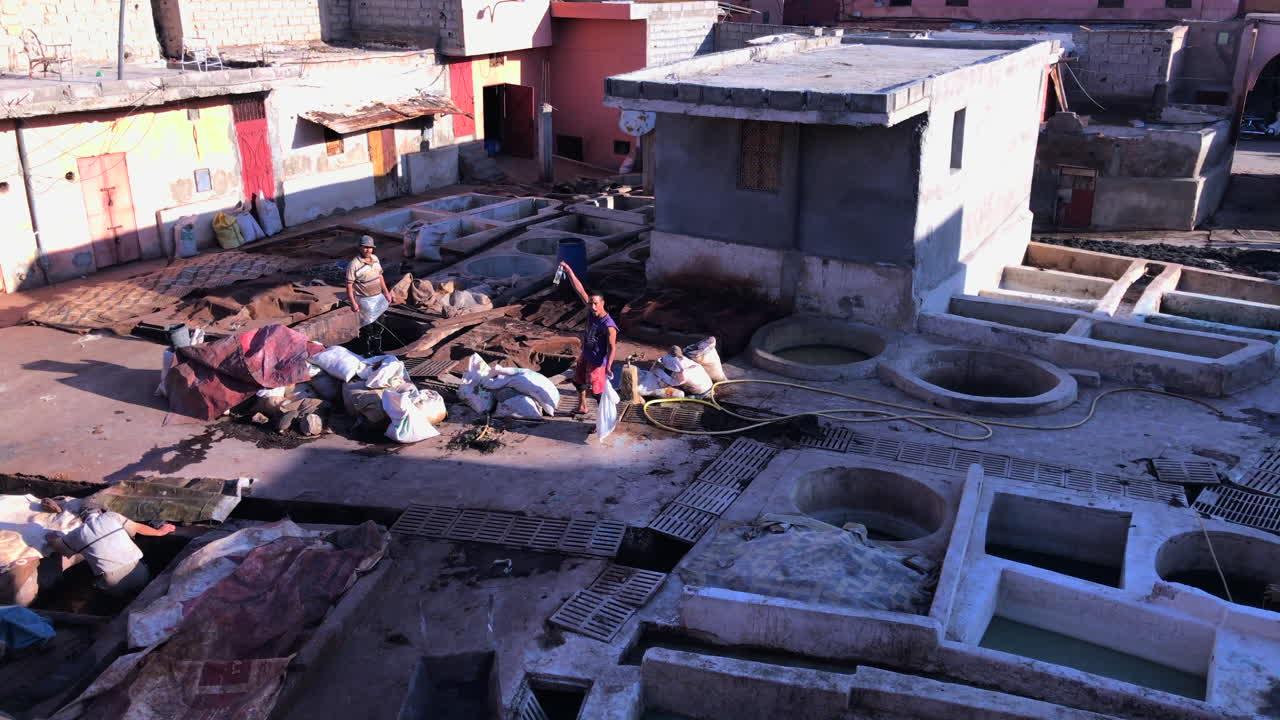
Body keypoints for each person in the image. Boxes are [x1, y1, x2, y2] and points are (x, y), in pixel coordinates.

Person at [44, 507, 174, 597]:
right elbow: (138, 528)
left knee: (109, 596)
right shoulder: (111, 516)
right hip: (139, 571)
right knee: (143, 592)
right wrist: (160, 532)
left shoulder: (76, 534)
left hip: (113, 582)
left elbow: (61, 549)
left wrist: (52, 538)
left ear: (82, 519)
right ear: (99, 511)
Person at [558, 261, 617, 415]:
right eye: (590, 304)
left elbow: (612, 347)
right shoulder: (591, 312)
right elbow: (579, 289)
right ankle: (582, 406)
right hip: (586, 354)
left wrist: (609, 365)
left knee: (598, 392)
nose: (593, 307)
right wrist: (569, 270)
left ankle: (603, 419)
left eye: (596, 304)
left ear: (602, 303)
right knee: (578, 382)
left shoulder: (609, 325)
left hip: (598, 362)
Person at [347, 235, 393, 355]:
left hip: (378, 298)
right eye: (365, 247)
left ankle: (377, 350)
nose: (368, 250)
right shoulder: (354, 265)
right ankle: (366, 352)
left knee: (380, 325)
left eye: (370, 248)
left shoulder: (375, 259)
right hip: (364, 300)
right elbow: (349, 286)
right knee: (367, 328)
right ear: (360, 248)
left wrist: (386, 293)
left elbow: (380, 276)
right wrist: (353, 303)